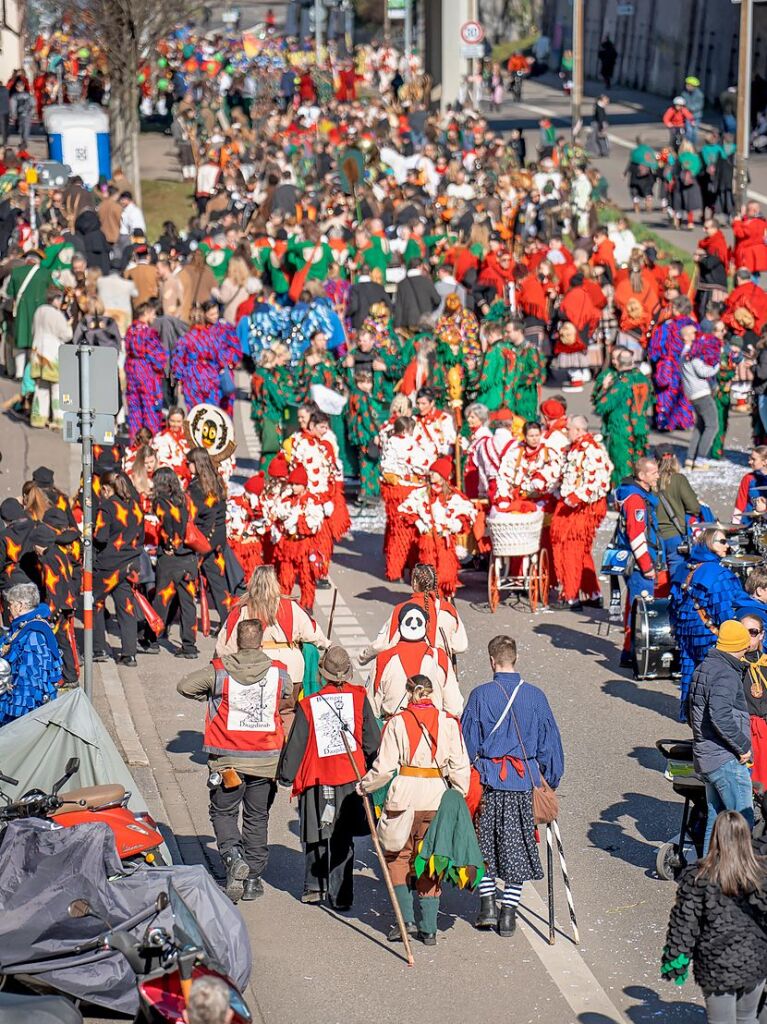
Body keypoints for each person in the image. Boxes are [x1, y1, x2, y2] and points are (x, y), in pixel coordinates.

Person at [178, 619, 293, 902]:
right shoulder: (279, 673)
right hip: (266, 760)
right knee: (257, 816)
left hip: (228, 759)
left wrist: (210, 696)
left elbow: (185, 686)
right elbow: (288, 694)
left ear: (237, 642)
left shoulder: (219, 671)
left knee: (223, 812)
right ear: (261, 641)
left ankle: (231, 856)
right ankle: (253, 878)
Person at [358, 672, 471, 946]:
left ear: (409, 693)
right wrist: (458, 793)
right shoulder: (448, 723)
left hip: (405, 794)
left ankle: (405, 920)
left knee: (398, 856)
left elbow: (384, 768)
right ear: (432, 693)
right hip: (437, 796)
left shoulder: (397, 723)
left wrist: (365, 786)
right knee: (431, 857)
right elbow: (460, 766)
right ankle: (429, 928)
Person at [462, 635, 564, 937]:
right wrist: (550, 780)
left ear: (492, 661)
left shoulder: (480, 695)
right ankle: (508, 914)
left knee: (486, 847)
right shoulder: (535, 696)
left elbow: (467, 743)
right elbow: (550, 745)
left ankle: (487, 906)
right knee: (518, 848)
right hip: (523, 783)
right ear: (515, 658)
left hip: (490, 780)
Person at [278, 645, 380, 909]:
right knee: (343, 836)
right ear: (347, 673)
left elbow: (297, 742)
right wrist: (373, 764)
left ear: (323, 674)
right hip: (350, 776)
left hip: (318, 777)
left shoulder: (309, 704)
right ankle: (342, 895)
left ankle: (314, 886)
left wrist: (286, 775)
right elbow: (372, 740)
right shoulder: (359, 697)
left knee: (316, 830)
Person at [662, 811, 767, 1021]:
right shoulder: (760, 872)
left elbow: (685, 924)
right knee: (748, 1018)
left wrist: (676, 961)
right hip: (755, 960)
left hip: (716, 966)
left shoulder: (698, 876)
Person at [688, 619, 753, 855]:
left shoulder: (704, 667)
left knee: (715, 824)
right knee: (742, 822)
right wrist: (743, 747)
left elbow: (690, 710)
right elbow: (720, 715)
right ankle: (735, 880)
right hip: (725, 758)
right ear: (742, 646)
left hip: (707, 757)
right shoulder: (726, 673)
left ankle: (706, 882)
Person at [671, 527, 748, 714]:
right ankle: (712, 721)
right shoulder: (718, 573)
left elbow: (673, 605)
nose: (727, 545)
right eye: (722, 541)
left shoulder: (684, 568)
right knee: (714, 680)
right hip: (710, 635)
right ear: (709, 544)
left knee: (692, 675)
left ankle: (690, 715)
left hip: (687, 634)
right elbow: (725, 613)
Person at [216, 564, 328, 690]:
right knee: (287, 709)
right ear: (275, 583)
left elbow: (226, 644)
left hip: (255, 669)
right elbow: (312, 633)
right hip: (290, 670)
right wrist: (326, 644)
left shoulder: (242, 610)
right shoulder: (291, 607)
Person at [550, 416, 613, 610]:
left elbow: (600, 480)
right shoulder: (575, 448)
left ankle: (570, 596)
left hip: (585, 508)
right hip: (573, 504)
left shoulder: (591, 450)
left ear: (578, 430)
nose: (565, 432)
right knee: (580, 549)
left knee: (571, 547)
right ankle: (592, 593)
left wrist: (576, 498)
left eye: (568, 429)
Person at [614, 458, 667, 665]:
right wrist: (647, 567)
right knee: (641, 611)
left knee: (633, 608)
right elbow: (636, 536)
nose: (658, 475)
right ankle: (636, 656)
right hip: (639, 566)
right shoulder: (636, 500)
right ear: (642, 476)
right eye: (653, 472)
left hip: (635, 562)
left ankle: (629, 652)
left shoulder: (635, 495)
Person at [93, 470, 143, 667]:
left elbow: (100, 537)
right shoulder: (136, 506)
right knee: (126, 608)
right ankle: (129, 654)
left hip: (108, 566)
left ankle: (98, 649)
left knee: (95, 604)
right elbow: (142, 535)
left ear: (106, 488)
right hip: (129, 564)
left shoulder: (106, 507)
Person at [151, 466, 199, 659]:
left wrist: (170, 543)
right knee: (188, 604)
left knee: (161, 600)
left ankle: (152, 638)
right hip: (189, 557)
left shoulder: (160, 502)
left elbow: (167, 524)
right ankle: (189, 645)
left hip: (171, 558)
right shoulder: (184, 499)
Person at [0, 581, 62, 725]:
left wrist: (19, 714)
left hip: (23, 710)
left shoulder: (34, 633)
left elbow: (30, 678)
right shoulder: (25, 625)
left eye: (11, 604)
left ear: (20, 605)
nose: (9, 608)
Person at [591, 346, 652, 486]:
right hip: (640, 428)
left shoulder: (622, 382)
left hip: (621, 430)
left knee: (622, 464)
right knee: (638, 464)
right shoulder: (643, 378)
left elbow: (602, 405)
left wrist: (605, 389)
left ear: (618, 362)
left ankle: (625, 496)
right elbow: (650, 400)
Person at [655, 445, 702, 578]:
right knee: (678, 576)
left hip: (654, 537)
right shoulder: (679, 479)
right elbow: (694, 508)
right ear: (675, 459)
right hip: (674, 536)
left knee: (657, 577)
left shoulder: (651, 481)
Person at [680, 323, 720, 470]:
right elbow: (703, 371)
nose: (696, 335)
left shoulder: (683, 353)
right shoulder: (691, 352)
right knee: (712, 426)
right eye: (692, 333)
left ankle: (691, 458)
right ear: (685, 337)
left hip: (692, 393)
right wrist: (717, 365)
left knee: (700, 426)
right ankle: (700, 459)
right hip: (701, 393)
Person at [740, 612, 767, 789]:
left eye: (752, 632)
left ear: (761, 635)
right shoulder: (732, 664)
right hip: (741, 731)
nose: (748, 636)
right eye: (742, 631)